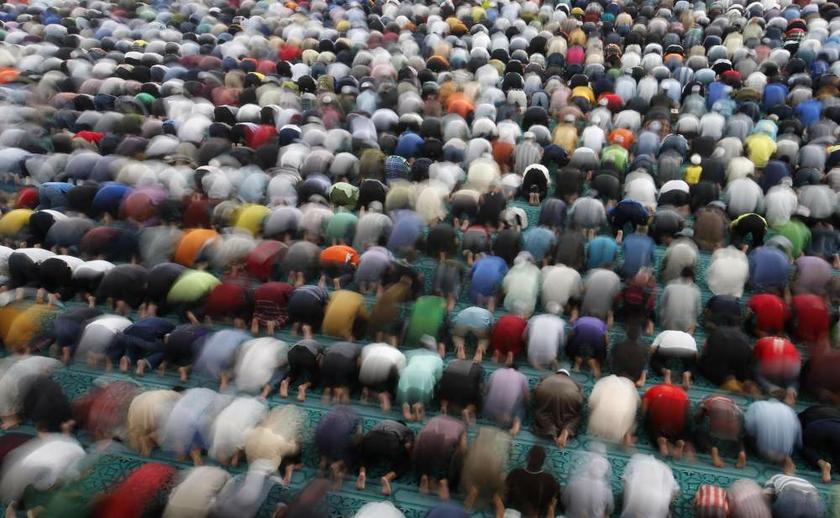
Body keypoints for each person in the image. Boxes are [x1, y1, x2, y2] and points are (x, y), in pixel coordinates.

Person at [413, 416, 467, 501]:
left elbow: (418, 438)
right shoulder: (461, 425)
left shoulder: (433, 418)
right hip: (447, 441)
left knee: (426, 454)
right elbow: (463, 448)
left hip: (426, 437)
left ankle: (424, 477)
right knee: (444, 460)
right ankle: (441, 482)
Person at [355, 419, 413, 496]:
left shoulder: (383, 422)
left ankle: (362, 472)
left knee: (365, 455)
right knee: (404, 462)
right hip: (390, 442)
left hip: (371, 438)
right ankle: (387, 478)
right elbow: (408, 446)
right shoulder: (406, 430)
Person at [460, 427, 510, 514]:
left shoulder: (478, 438)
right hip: (491, 476)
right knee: (501, 481)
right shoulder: (503, 441)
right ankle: (497, 500)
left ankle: (472, 494)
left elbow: (465, 453)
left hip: (472, 474)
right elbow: (503, 464)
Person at [744, 400, 801, 474]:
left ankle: (742, 452)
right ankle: (786, 457)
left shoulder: (756, 406)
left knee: (744, 433)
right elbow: (798, 436)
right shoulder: (789, 410)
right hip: (787, 450)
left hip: (766, 451)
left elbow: (749, 429)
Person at [504, 445, 560, 518]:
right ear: (543, 461)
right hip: (539, 512)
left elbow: (504, 492)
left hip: (515, 510)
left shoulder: (515, 474)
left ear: (527, 458)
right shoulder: (549, 479)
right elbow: (554, 498)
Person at [532, 369, 584, 447]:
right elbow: (581, 397)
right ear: (567, 375)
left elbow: (535, 389)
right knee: (575, 415)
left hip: (546, 393)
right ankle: (567, 430)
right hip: (570, 396)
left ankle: (552, 432)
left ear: (557, 373)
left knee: (542, 413)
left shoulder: (547, 377)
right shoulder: (574, 381)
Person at [621, 454, 680, 518]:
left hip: (642, 501)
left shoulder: (637, 463)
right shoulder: (665, 469)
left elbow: (625, 481)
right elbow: (676, 491)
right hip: (657, 502)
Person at [587, 374, 639, 446]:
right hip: (619, 427)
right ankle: (627, 437)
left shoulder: (604, 382)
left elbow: (591, 403)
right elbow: (634, 409)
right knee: (630, 417)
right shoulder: (630, 387)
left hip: (598, 421)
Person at [642, 383, 691, 459]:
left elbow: (643, 411)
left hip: (659, 412)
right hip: (678, 415)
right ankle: (681, 440)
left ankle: (659, 439)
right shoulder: (681, 392)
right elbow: (687, 411)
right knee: (684, 425)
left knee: (650, 425)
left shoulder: (652, 390)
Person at [562, 448, 614, 518]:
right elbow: (610, 509)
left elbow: (564, 501)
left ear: (589, 467)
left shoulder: (574, 482)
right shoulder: (606, 490)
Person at [358, 342, 406, 412]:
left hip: (364, 376)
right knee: (395, 371)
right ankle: (384, 395)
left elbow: (360, 362)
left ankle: (367, 389)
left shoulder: (369, 347)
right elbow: (400, 375)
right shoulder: (399, 354)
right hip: (382, 377)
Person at [753, 336, 801, 405]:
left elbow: (793, 379)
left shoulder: (792, 362)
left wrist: (792, 389)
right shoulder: (763, 352)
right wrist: (770, 387)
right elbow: (757, 375)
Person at [798, 405, 840, 483]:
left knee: (803, 446)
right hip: (835, 430)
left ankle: (823, 464)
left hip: (818, 426)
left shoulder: (806, 414)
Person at [483, 365, 529, 436]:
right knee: (522, 405)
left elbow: (486, 390)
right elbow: (527, 397)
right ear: (517, 370)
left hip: (489, 411)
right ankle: (516, 424)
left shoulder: (496, 372)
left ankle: (499, 419)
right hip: (508, 414)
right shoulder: (522, 377)